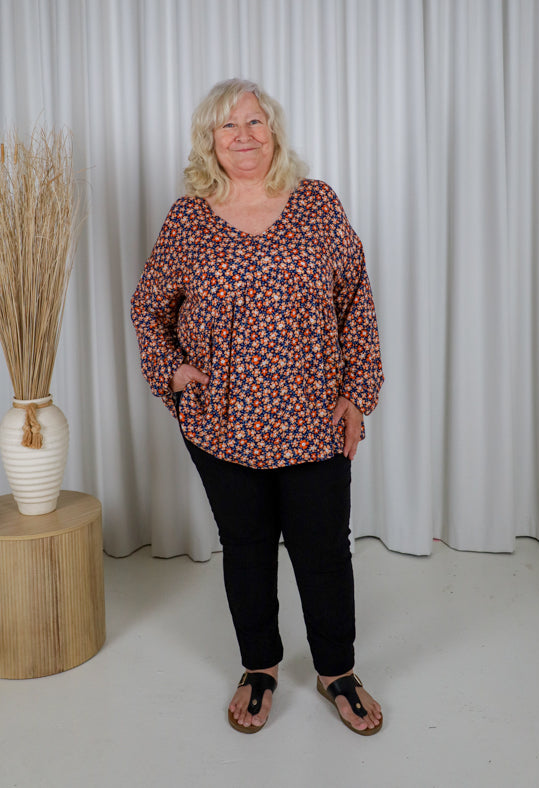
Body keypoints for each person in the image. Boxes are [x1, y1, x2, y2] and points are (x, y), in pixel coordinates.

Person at [131, 78, 384, 736]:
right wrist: (172, 372)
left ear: (273, 131)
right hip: (220, 422)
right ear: (209, 141)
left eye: (254, 122)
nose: (243, 136)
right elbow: (149, 305)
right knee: (246, 550)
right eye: (227, 126)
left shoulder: (317, 203)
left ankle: (336, 671)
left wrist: (359, 394)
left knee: (323, 550)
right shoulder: (189, 218)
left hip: (314, 421)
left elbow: (355, 300)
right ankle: (261, 667)